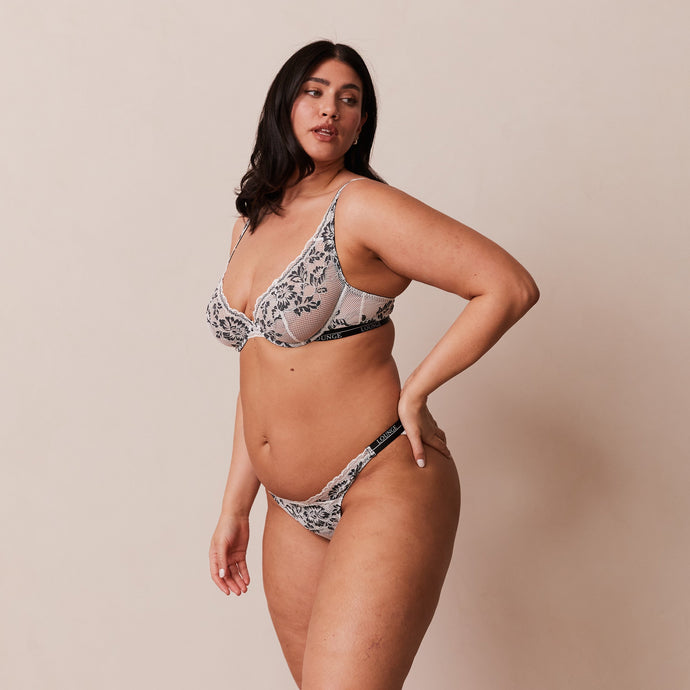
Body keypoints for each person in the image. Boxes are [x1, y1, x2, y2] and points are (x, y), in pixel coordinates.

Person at [206, 40, 539, 689]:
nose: (331, 108)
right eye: (315, 92)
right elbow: (257, 372)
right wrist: (234, 507)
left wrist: (416, 391)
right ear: (285, 105)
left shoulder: (361, 206)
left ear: (361, 123)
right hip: (288, 507)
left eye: (349, 99)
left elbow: (507, 286)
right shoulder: (250, 223)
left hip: (380, 479)